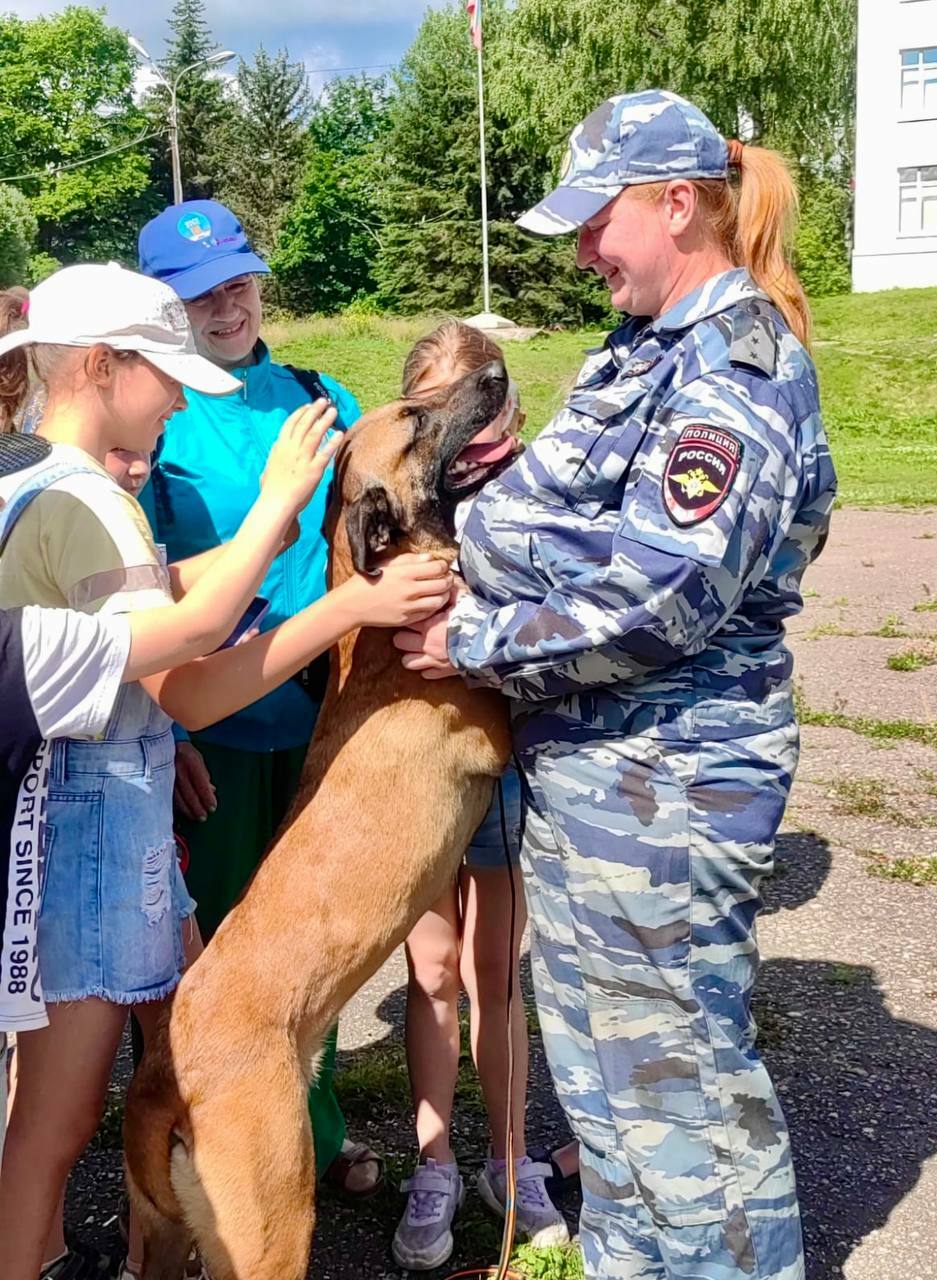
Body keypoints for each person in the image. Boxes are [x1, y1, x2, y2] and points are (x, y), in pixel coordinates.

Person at [395, 90, 836, 1280]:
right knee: (606, 1088)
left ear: (676, 203)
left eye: (600, 219)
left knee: (683, 1102)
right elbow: (545, 511)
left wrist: (474, 643)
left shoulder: (734, 370)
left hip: (671, 786)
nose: (585, 248)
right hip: (596, 783)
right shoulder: (643, 349)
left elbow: (661, 592)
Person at [0, 266, 452, 1280]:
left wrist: (267, 541)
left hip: (70, 815)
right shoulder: (94, 503)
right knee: (54, 1122)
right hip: (88, 844)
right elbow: (187, 677)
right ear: (98, 366)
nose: (174, 396)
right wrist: (336, 594)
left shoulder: (26, 473)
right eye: (160, 375)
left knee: (112, 1084)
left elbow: (144, 591)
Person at [137, 200, 378, 1196]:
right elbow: (136, 597)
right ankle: (196, 1143)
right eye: (199, 291)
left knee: (311, 943)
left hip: (321, 716)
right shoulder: (158, 419)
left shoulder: (322, 398)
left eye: (237, 279)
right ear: (168, 306)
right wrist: (161, 728)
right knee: (216, 950)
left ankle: (311, 1135)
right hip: (214, 728)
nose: (225, 302)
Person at [390, 322, 568, 1273]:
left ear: (509, 411)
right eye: (438, 414)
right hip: (420, 776)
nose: (468, 440)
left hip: (501, 775)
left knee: (495, 972)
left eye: (481, 411)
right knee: (429, 970)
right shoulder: (400, 505)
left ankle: (508, 1156)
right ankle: (433, 1164)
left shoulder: (539, 495)